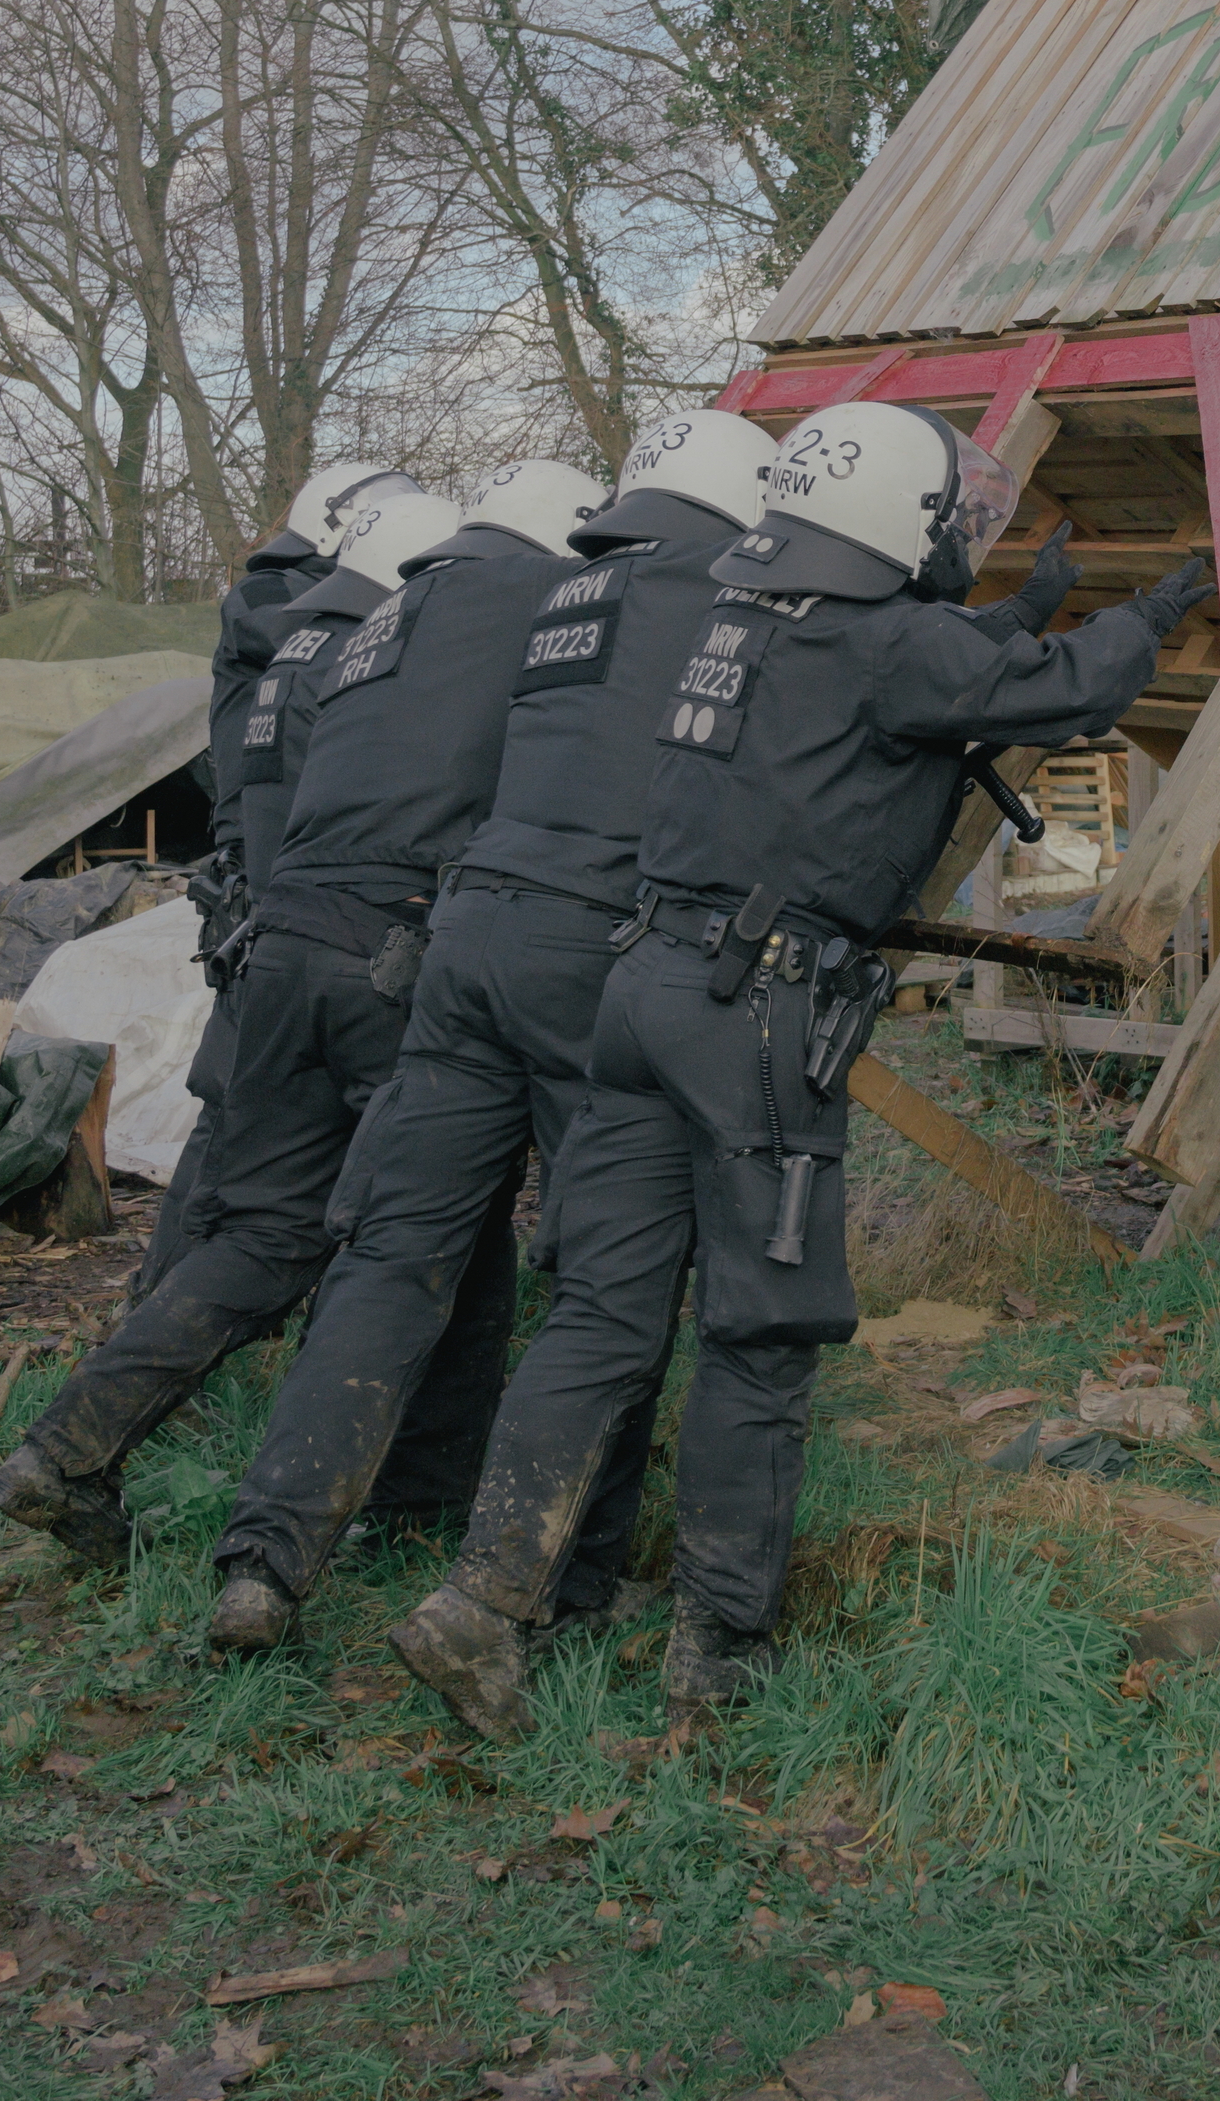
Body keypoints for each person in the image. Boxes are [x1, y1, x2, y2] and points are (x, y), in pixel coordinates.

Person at [383, 401, 1207, 1737]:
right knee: (761, 1341)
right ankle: (719, 1658)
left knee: (600, 1316)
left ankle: (483, 1605)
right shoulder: (885, 640)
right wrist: (1144, 614)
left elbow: (898, 679)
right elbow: (1068, 695)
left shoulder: (742, 616)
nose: (956, 541)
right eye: (949, 521)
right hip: (754, 1016)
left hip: (641, 990)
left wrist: (1008, 614)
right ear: (892, 522)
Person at [201, 412, 781, 1652]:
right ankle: (566, 1579)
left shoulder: (567, 595)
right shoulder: (723, 599)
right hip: (595, 960)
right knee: (604, 1279)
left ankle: (265, 1559)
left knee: (387, 1258)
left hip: (464, 942)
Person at [0, 466, 589, 1563]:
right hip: (392, 965)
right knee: (435, 1233)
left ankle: (63, 1450)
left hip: (281, 956)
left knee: (262, 1234)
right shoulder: (511, 618)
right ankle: (393, 1505)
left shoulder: (351, 634)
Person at [144, 461, 424, 1304]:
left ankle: (197, 1310)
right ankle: (164, 1307)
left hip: (287, 888)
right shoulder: (275, 606)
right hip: (267, 889)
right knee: (233, 1118)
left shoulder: (296, 606)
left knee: (255, 1120)